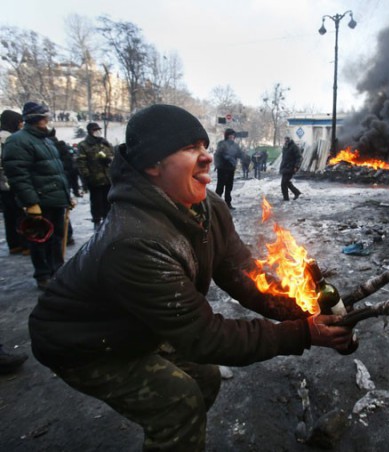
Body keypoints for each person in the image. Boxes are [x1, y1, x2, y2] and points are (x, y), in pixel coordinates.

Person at [28, 104, 354, 451]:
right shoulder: (133, 242)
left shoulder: (208, 205)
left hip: (137, 323)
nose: (207, 157)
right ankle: (174, 430)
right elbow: (204, 337)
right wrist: (303, 334)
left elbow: (243, 274)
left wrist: (304, 310)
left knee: (205, 378)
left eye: (203, 145)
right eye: (189, 148)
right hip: (83, 342)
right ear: (152, 164)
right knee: (178, 404)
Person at [3, 102, 71, 290]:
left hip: (55, 198)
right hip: (40, 200)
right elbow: (18, 175)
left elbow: (57, 171)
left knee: (56, 237)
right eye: (43, 117)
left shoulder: (46, 141)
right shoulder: (18, 141)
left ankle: (57, 270)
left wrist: (67, 195)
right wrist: (31, 202)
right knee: (40, 239)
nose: (47, 120)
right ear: (34, 119)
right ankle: (43, 274)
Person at [0, 109, 28, 255]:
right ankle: (25, 244)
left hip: (2, 186)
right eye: (19, 122)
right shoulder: (11, 139)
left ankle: (14, 244)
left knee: (9, 216)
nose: (21, 125)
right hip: (12, 183)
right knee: (20, 215)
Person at [76, 122, 113, 229]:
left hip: (108, 179)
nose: (97, 131)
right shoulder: (84, 145)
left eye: (98, 129)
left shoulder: (105, 143)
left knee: (108, 201)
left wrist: (108, 160)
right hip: (95, 179)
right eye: (94, 130)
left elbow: (113, 155)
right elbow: (81, 162)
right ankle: (97, 221)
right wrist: (87, 176)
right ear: (89, 131)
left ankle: (108, 221)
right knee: (96, 202)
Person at [214, 128, 242, 209]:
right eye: (230, 136)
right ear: (226, 136)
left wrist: (245, 158)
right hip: (222, 169)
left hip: (231, 169)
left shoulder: (235, 145)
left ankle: (228, 203)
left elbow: (239, 154)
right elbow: (218, 154)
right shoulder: (221, 144)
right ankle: (216, 205)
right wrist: (219, 164)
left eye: (233, 136)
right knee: (220, 187)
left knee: (229, 187)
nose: (232, 138)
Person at [280, 136, 302, 201]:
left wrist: (296, 166)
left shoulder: (294, 147)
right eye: (285, 139)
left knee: (284, 183)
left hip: (291, 167)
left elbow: (299, 158)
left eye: (287, 139)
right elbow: (284, 158)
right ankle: (296, 192)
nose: (286, 140)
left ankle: (286, 198)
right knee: (286, 182)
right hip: (285, 167)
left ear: (290, 139)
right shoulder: (285, 147)